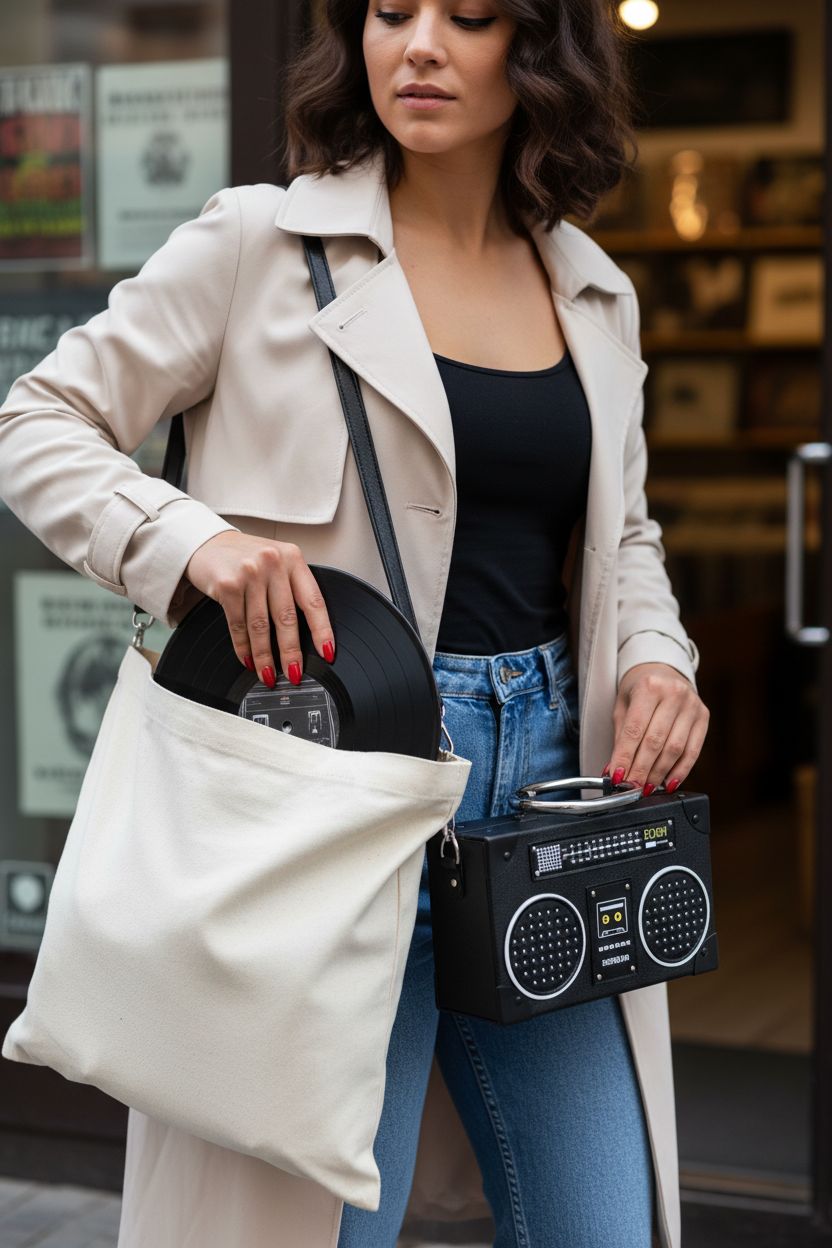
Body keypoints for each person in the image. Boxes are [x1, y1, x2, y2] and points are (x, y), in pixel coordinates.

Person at [0, 1, 709, 1245]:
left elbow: (624, 539)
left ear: (539, 53)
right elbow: (35, 423)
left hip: (543, 818)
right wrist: (191, 545)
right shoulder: (256, 245)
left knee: (605, 1222)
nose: (418, 44)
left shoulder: (595, 293)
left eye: (470, 15)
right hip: (329, 797)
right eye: (390, 11)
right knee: (316, 1229)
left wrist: (657, 657)